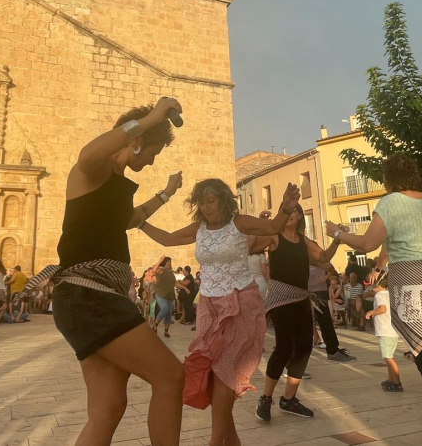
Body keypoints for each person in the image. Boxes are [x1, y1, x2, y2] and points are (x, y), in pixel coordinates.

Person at [46, 98, 186, 446]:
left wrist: (166, 194)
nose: (153, 160)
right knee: (170, 377)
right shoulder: (95, 169)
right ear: (136, 142)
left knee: (108, 408)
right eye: (153, 151)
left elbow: (130, 221)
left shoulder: (116, 183)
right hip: (88, 296)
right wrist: (151, 117)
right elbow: (87, 155)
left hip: (91, 298)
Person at [324, 152, 422, 446]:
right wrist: (381, 266)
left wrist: (339, 234)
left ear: (388, 178)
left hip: (415, 284)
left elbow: (369, 242)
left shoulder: (390, 202)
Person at [140, 178, 302, 446]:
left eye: (211, 200)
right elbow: (168, 239)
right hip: (209, 307)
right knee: (213, 375)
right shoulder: (200, 228)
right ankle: (233, 441)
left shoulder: (238, 223)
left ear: (224, 200)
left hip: (241, 303)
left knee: (224, 371)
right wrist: (141, 223)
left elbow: (273, 226)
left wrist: (285, 208)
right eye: (201, 202)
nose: (205, 207)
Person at [250, 204, 349, 423]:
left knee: (304, 346)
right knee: (285, 346)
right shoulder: (274, 236)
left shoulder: (303, 241)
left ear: (299, 216)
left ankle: (288, 399)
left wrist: (338, 239)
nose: (291, 214)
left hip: (301, 297)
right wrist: (259, 225)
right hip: (279, 297)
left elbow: (323, 258)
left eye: (295, 211)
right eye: (287, 210)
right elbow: (250, 247)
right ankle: (266, 398)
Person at [364, 276, 403, 391]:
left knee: (388, 358)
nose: (370, 287)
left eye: (372, 285)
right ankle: (390, 379)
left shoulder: (379, 295)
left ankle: (397, 382)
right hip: (392, 329)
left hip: (385, 330)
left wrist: (371, 312)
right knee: (388, 356)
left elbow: (382, 309)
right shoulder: (388, 293)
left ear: (378, 285)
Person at [149, 257, 178, 338]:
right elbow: (154, 270)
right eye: (168, 262)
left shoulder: (171, 273)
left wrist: (185, 287)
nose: (170, 264)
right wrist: (160, 260)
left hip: (169, 294)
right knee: (165, 309)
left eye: (170, 262)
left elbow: (175, 283)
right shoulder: (161, 270)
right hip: (160, 293)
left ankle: (166, 331)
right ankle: (155, 324)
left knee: (168, 313)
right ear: (165, 263)